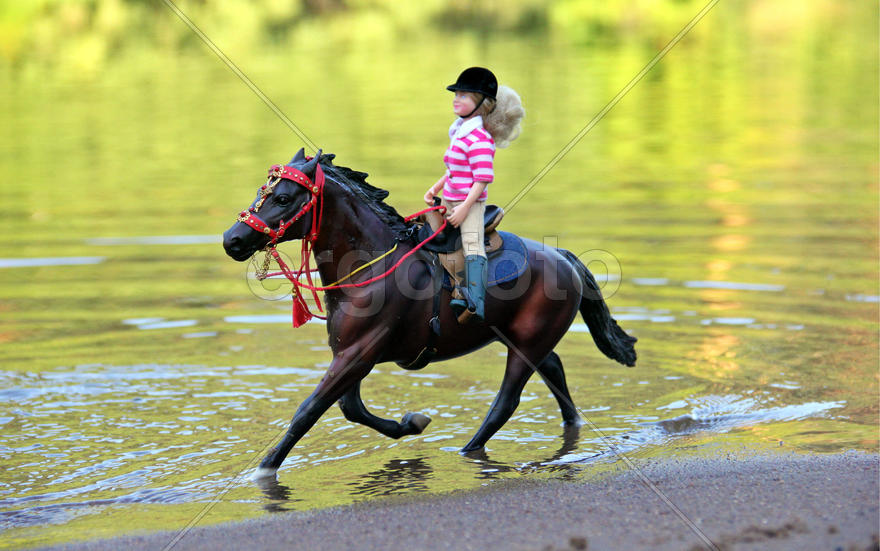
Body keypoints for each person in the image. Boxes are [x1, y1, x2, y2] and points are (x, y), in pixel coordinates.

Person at [424, 67, 525, 322]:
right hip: (449, 196)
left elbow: (481, 180)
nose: (457, 99)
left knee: (471, 244)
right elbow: (453, 169)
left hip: (470, 201)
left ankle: (475, 302)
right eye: (456, 94)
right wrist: (435, 188)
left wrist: (465, 208)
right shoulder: (458, 131)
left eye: (465, 96)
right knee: (428, 232)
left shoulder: (480, 140)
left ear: (483, 104)